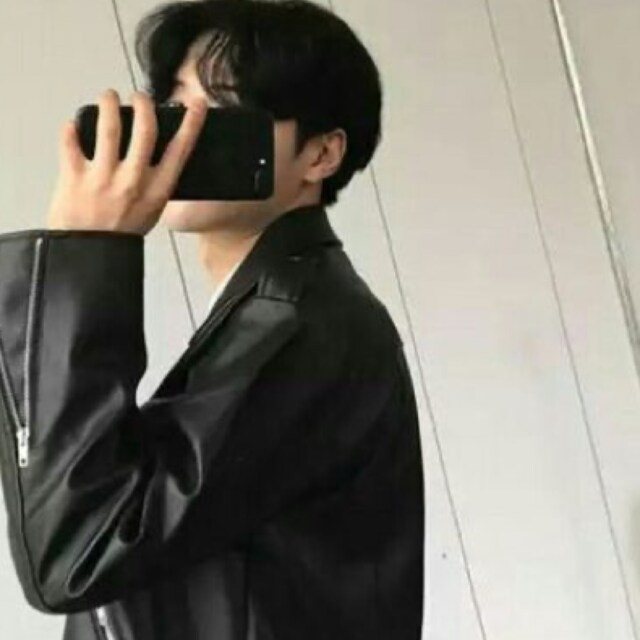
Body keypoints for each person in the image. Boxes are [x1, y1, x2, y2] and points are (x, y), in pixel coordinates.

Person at [0, 1, 425, 638]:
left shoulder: (298, 325)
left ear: (320, 154)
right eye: (175, 102)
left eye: (220, 107)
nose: (182, 131)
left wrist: (83, 257)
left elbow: (76, 553)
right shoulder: (285, 304)